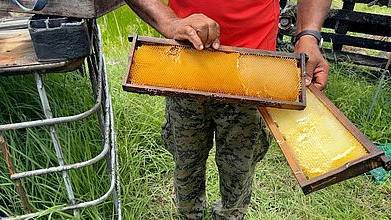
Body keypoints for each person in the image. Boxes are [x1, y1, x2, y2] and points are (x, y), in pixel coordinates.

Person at [125, 0, 331, 219]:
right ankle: (189, 214)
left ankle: (230, 215)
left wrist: (309, 34)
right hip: (186, 66)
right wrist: (170, 22)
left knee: (239, 168)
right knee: (186, 162)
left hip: (253, 74)